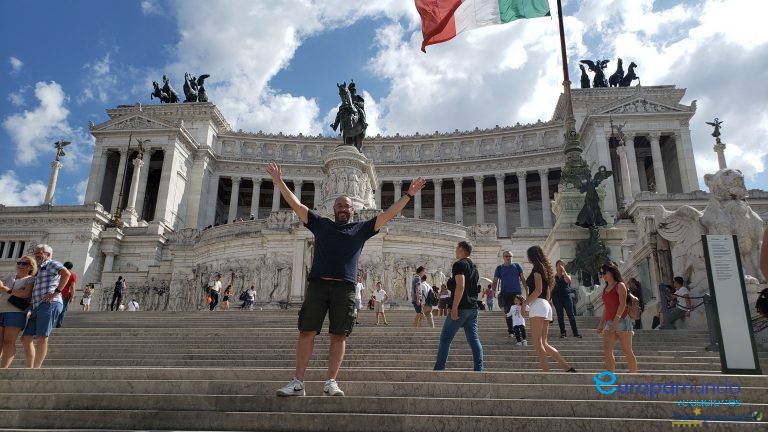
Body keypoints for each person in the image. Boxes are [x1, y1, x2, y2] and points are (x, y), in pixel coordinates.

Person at [271, 161, 426, 397]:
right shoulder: (320, 224)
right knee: (306, 331)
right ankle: (298, 382)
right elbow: (296, 204)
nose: (343, 208)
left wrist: (409, 195)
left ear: (353, 210)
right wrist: (279, 182)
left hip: (345, 287)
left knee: (339, 334)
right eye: (339, 205)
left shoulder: (361, 229)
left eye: (347, 206)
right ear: (334, 209)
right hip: (319, 285)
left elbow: (388, 215)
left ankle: (331, 381)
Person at [521, 246, 575, 372]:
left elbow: (538, 289)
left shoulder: (537, 269)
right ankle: (567, 367)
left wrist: (525, 303)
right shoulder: (546, 270)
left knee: (537, 342)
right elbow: (547, 292)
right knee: (544, 343)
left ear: (531, 256)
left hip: (538, 305)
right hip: (546, 305)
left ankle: (546, 371)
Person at [434, 241, 484, 372]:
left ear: (462, 249)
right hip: (473, 308)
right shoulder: (474, 267)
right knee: (474, 340)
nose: (455, 250)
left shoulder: (459, 264)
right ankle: (479, 369)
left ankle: (439, 368)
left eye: (457, 248)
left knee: (445, 338)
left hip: (461, 307)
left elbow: (460, 286)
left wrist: (454, 307)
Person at [21, 244, 71, 369]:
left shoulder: (51, 264)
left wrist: (56, 292)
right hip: (37, 305)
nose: (37, 254)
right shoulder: (39, 268)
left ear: (48, 254)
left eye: (40, 252)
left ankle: (36, 368)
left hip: (49, 304)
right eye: (36, 252)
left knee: (42, 336)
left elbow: (66, 273)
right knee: (26, 338)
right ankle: (30, 367)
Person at [596, 262, 638, 373]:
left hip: (622, 321)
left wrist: (616, 321)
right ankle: (611, 374)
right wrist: (601, 324)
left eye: (605, 272)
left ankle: (633, 374)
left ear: (612, 271)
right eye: (601, 273)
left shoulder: (620, 285)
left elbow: (622, 304)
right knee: (607, 349)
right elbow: (606, 308)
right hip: (609, 322)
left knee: (627, 350)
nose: (603, 275)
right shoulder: (605, 289)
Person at [0, 255, 37, 368]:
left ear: (31, 267)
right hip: (1, 309)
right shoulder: (9, 277)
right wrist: (15, 291)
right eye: (19, 263)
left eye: (24, 263)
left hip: (16, 312)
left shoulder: (31, 279)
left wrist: (7, 290)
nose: (20, 265)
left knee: (8, 341)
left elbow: (25, 294)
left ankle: (4, 368)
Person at [493, 251, 527, 338]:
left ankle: (519, 328)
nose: (508, 257)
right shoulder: (499, 268)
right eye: (506, 256)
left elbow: (523, 278)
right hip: (505, 293)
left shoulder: (517, 266)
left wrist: (527, 288)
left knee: (518, 311)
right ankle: (511, 331)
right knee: (508, 312)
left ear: (512, 257)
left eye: (510, 256)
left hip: (516, 292)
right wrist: (493, 290)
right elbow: (495, 280)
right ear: (503, 257)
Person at [552, 260, 581, 339]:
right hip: (557, 297)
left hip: (566, 296)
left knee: (571, 315)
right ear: (556, 266)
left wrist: (564, 271)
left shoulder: (567, 275)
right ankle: (563, 333)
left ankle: (575, 333)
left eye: (562, 264)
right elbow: (551, 288)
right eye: (559, 264)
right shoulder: (553, 277)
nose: (561, 266)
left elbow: (568, 280)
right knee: (560, 315)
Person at [55, 261, 76, 328]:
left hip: (55, 293)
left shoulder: (59, 273)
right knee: (62, 310)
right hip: (65, 295)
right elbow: (72, 287)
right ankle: (58, 324)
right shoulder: (72, 275)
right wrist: (72, 296)